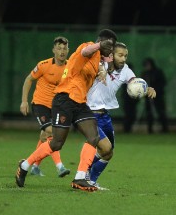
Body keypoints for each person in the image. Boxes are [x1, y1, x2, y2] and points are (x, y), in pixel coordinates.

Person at [15, 29, 117, 192]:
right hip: (65, 99)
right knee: (56, 143)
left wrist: (103, 70)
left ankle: (80, 178)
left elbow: (100, 66)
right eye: (110, 45)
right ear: (103, 42)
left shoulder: (99, 60)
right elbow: (85, 51)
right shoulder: (90, 46)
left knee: (93, 137)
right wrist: (99, 45)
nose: (111, 50)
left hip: (80, 104)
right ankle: (25, 166)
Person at [86, 42, 156, 189]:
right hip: (89, 113)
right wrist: (100, 70)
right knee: (105, 148)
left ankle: (91, 180)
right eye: (120, 55)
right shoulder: (100, 65)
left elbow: (135, 83)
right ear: (111, 55)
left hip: (104, 115)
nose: (123, 58)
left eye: (125, 55)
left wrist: (147, 88)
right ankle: (83, 173)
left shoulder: (125, 70)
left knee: (108, 153)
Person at [20, 36, 70, 177]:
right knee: (53, 133)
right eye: (59, 48)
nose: (62, 51)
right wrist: (24, 101)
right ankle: (60, 166)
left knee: (44, 136)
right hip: (40, 104)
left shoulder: (70, 67)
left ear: (68, 50)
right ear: (53, 50)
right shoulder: (44, 65)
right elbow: (29, 79)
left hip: (57, 107)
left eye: (64, 48)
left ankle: (35, 166)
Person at [141, 57, 168, 133]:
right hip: (148, 97)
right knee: (149, 113)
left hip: (158, 96)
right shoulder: (145, 74)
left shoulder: (158, 72)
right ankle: (150, 129)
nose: (147, 67)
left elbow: (163, 83)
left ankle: (164, 128)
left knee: (161, 112)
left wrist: (155, 90)